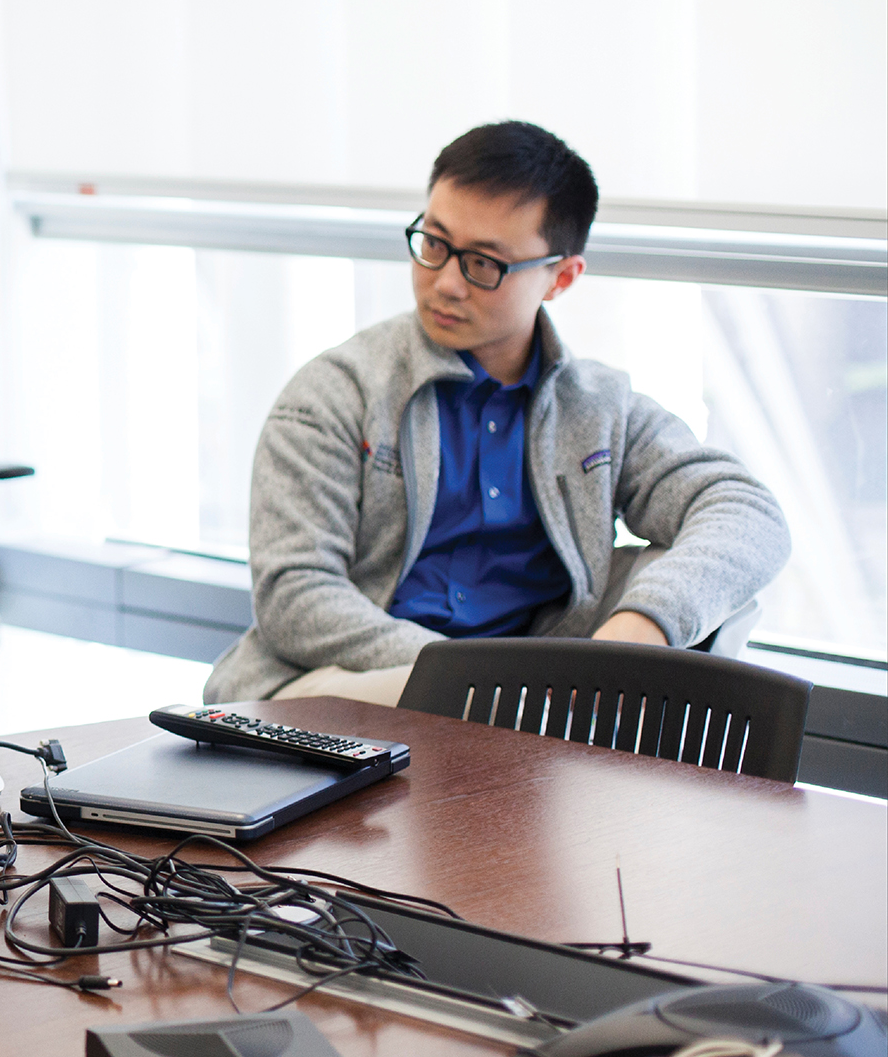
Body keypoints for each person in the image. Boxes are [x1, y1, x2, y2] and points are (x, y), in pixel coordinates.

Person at [206, 120, 790, 705]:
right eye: (434, 244)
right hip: (351, 684)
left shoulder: (597, 408)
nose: (446, 284)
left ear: (561, 277)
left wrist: (644, 630)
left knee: (711, 584)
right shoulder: (337, 392)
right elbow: (295, 595)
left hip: (525, 692)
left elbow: (747, 512)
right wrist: (476, 679)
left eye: (483, 264)